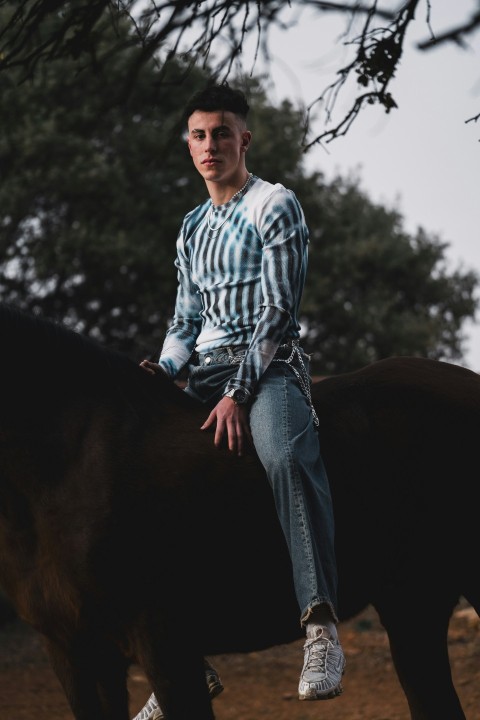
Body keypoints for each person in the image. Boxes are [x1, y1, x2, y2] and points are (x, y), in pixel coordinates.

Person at [134, 83, 345, 720]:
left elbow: (279, 312)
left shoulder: (274, 205)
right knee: (126, 479)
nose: (209, 146)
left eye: (220, 133)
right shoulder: (193, 227)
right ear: (188, 145)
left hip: (269, 367)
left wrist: (236, 393)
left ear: (243, 139)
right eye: (198, 135)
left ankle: (322, 628)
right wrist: (162, 369)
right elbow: (184, 322)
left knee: (283, 454)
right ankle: (181, 662)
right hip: (201, 372)